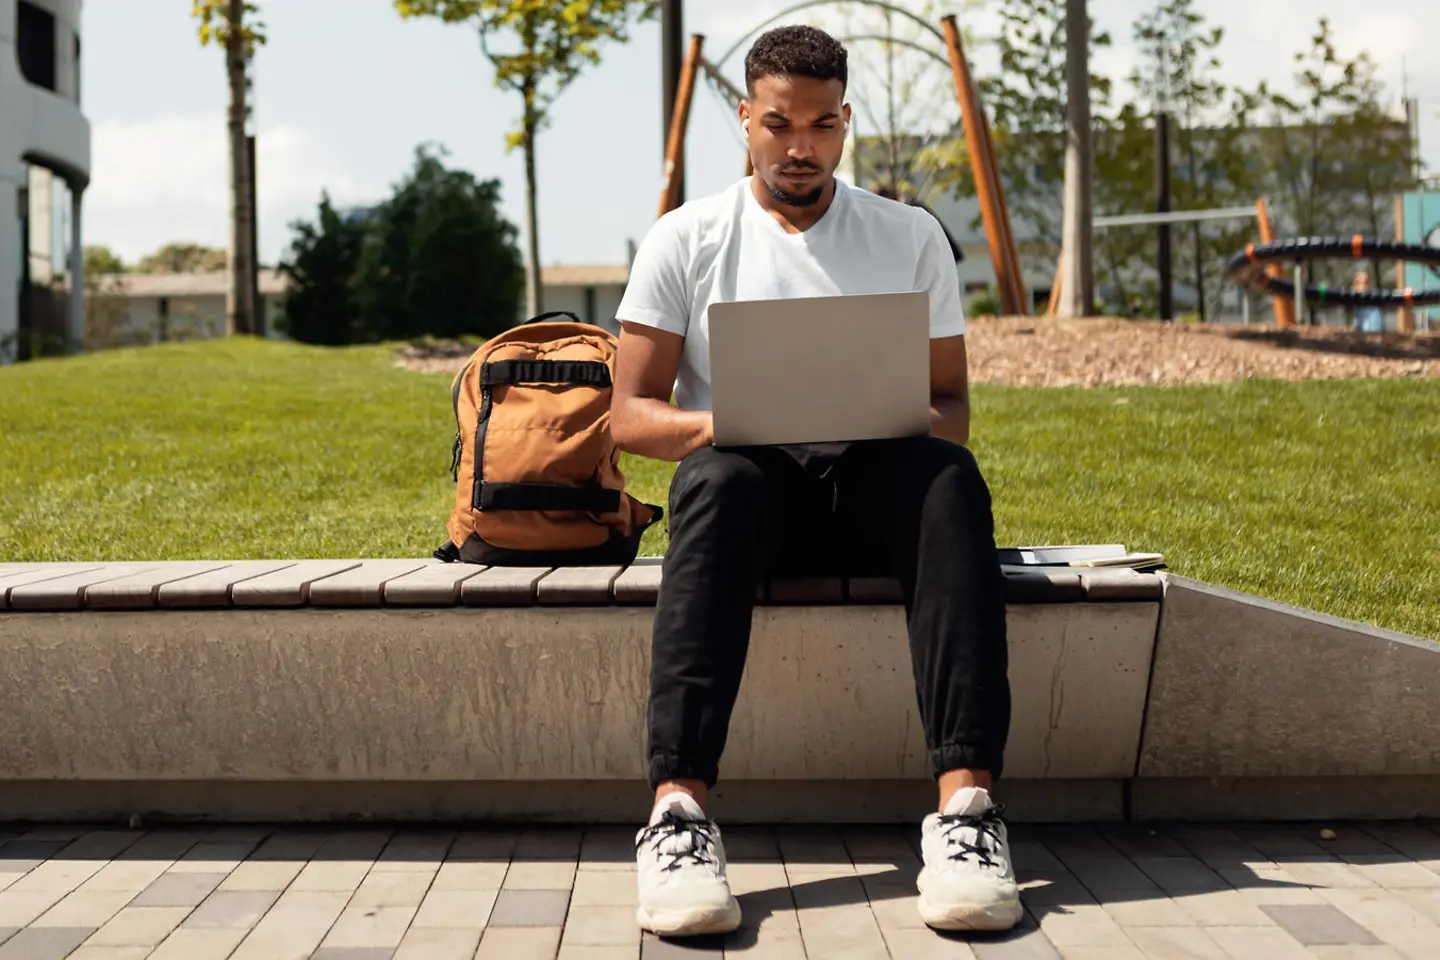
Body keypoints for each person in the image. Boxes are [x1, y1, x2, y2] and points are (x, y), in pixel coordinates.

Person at [609, 24, 1020, 938]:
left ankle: (967, 816)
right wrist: (735, 419)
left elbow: (950, 404)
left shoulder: (908, 235)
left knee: (948, 477)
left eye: (823, 125)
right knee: (717, 484)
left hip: (871, 489)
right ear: (745, 119)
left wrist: (879, 415)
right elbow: (629, 415)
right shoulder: (687, 238)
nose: (801, 147)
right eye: (780, 124)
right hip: (754, 498)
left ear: (846, 123)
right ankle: (677, 817)